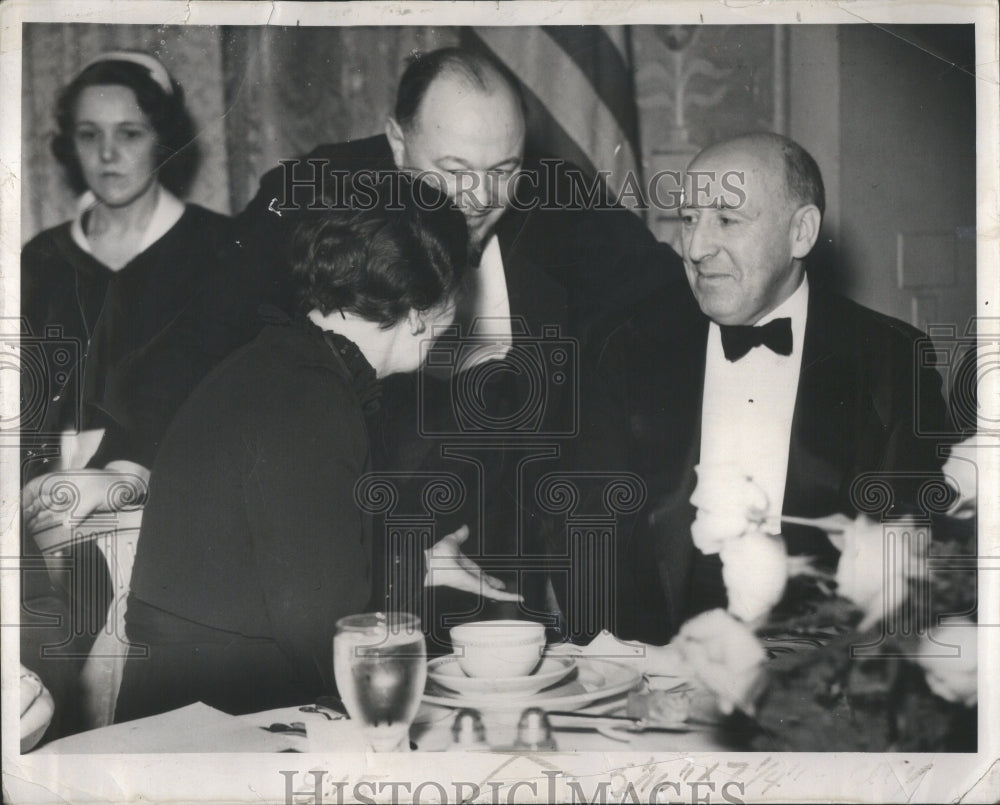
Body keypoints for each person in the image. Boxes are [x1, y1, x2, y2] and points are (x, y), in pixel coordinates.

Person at [114, 177, 520, 722]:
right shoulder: (313, 398)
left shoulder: (284, 363)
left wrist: (411, 567)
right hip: (217, 727)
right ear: (424, 308)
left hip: (192, 710)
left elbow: (283, 577)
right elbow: (329, 650)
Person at [584, 132, 950, 645]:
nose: (694, 248)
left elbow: (913, 566)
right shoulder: (626, 347)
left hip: (823, 673)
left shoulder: (892, 362)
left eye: (726, 220)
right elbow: (587, 537)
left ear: (801, 233)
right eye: (689, 220)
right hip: (655, 664)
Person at [20, 51, 236, 527]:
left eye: (130, 133)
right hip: (50, 503)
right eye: (89, 135)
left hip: (185, 499)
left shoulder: (220, 248)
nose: (108, 155)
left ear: (163, 141)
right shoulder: (42, 258)